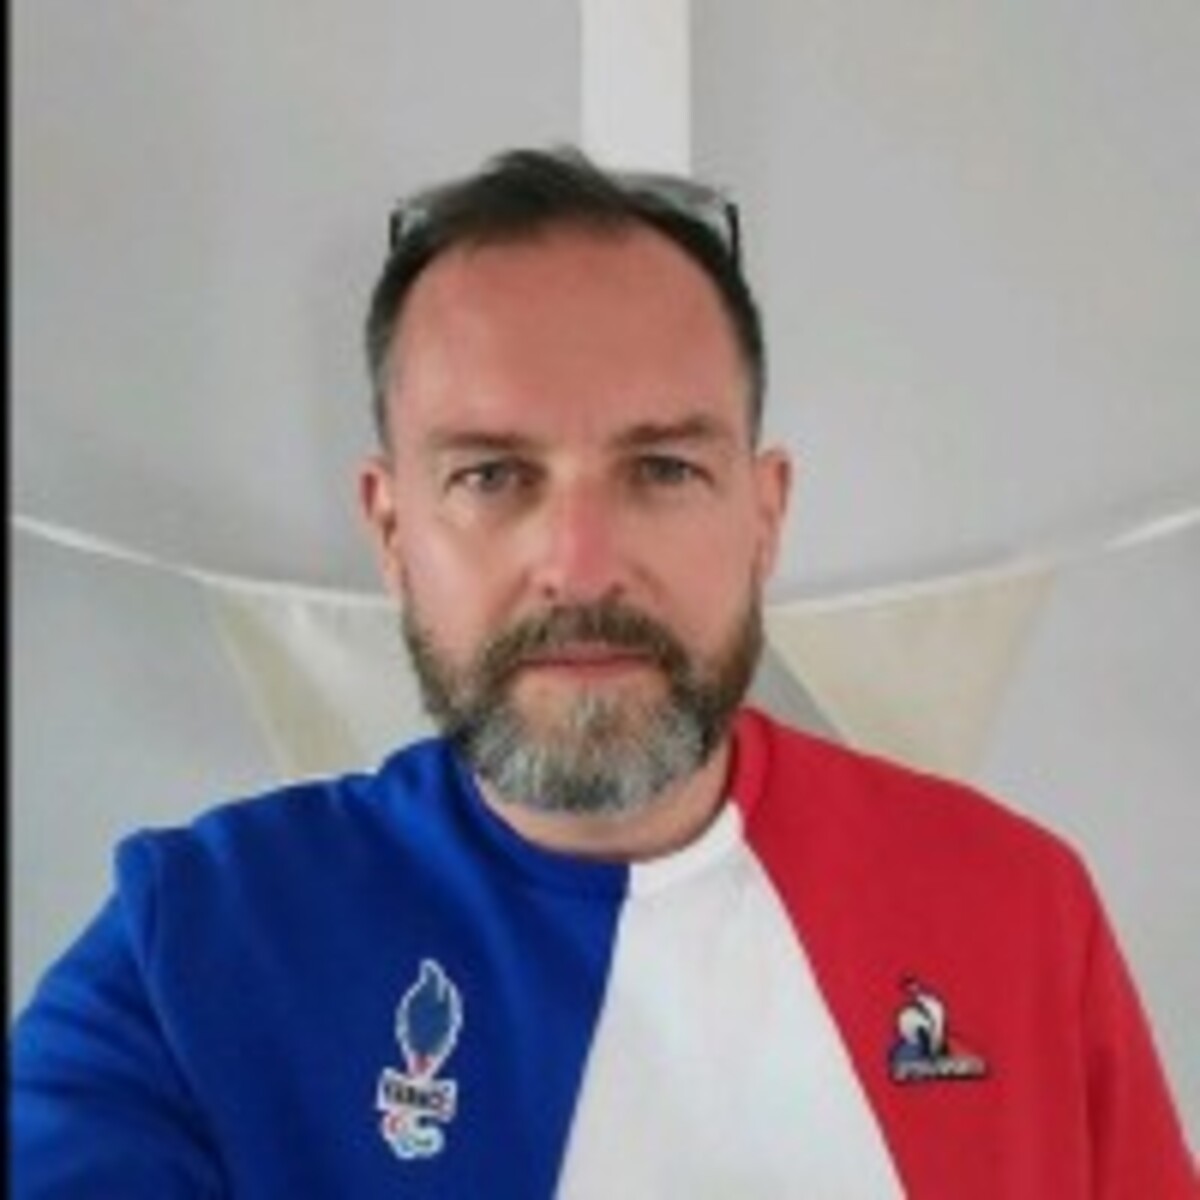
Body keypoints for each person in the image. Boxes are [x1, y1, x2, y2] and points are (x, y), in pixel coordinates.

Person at [10, 146, 1197, 1198]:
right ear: (391, 528)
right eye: (491, 476)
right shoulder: (194, 947)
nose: (580, 568)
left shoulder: (1021, 913)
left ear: (765, 514)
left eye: (664, 470)